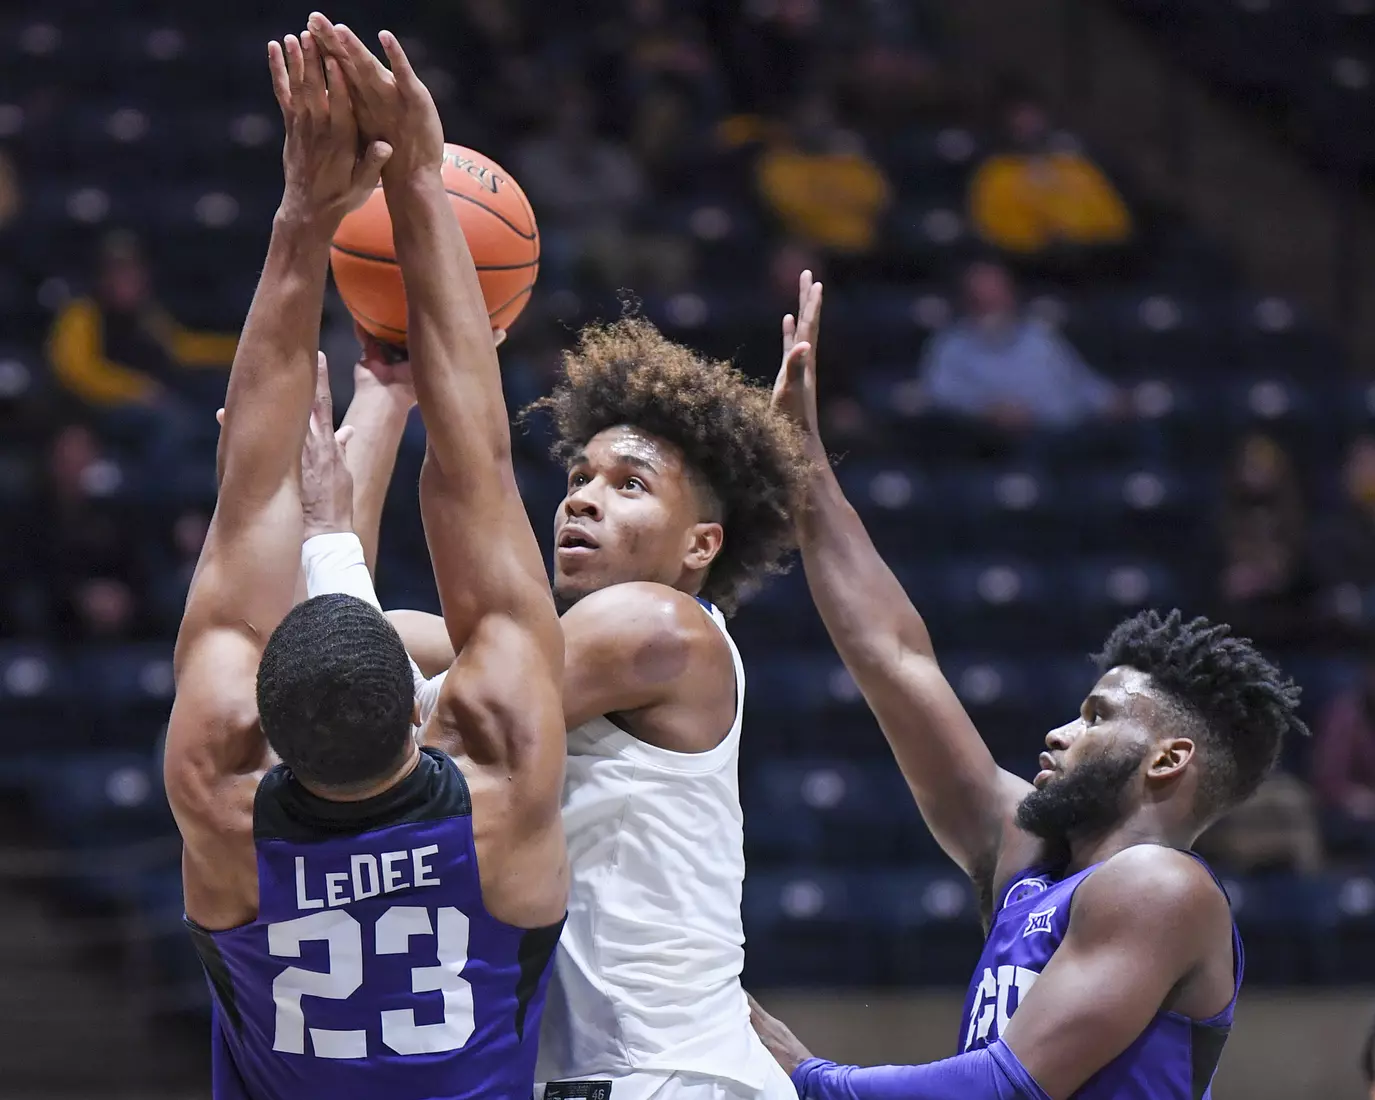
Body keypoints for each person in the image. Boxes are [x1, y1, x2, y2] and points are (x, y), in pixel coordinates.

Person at [746, 273, 1307, 1100]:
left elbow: (1008, 1086)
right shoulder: (1030, 864)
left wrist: (808, 1077)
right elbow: (896, 660)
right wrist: (806, 468)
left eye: (1094, 716)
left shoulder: (1163, 888)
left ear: (1167, 759)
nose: (1057, 733)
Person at [163, 20, 566, 1100]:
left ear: (262, 723)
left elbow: (250, 491)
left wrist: (306, 212)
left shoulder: (217, 797)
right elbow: (476, 467)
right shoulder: (503, 793)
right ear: (424, 702)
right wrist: (417, 185)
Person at [330, 314, 811, 1098]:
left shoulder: (658, 626)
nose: (583, 500)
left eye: (629, 485)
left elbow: (424, 740)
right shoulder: (548, 655)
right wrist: (384, 395)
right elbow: (334, 644)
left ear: (700, 545)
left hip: (666, 1077)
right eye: (578, 477)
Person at [917, 259, 1121, 431]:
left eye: (997, 294)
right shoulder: (951, 344)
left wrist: (1112, 400)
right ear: (966, 300)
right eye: (981, 298)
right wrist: (987, 409)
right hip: (990, 441)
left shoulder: (1039, 337)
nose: (991, 305)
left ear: (1012, 295)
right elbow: (939, 393)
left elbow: (1079, 381)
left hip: (1060, 435)